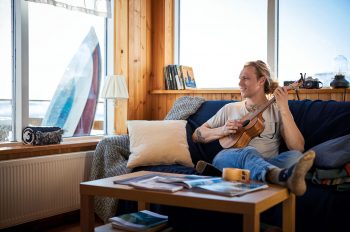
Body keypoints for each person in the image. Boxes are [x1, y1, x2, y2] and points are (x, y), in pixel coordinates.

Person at [192, 60, 315, 196]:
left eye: (245, 78)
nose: (239, 83)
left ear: (261, 80)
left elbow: (298, 147)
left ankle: (251, 175)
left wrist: (284, 108)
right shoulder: (230, 108)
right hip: (230, 158)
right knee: (248, 151)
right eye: (240, 79)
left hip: (266, 162)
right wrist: (222, 130)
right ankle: (278, 176)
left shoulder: (278, 110)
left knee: (296, 157)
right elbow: (196, 135)